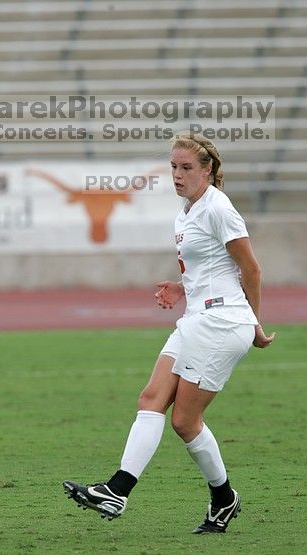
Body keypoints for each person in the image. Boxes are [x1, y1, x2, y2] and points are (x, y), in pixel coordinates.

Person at [63, 132, 275, 534]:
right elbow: (212, 266)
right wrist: (183, 287)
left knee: (184, 419)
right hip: (199, 316)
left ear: (208, 169)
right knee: (154, 401)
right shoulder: (188, 209)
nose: (177, 175)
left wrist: (255, 324)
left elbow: (252, 269)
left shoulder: (218, 208)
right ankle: (123, 491)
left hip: (223, 322)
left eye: (186, 168)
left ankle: (208, 498)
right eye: (173, 167)